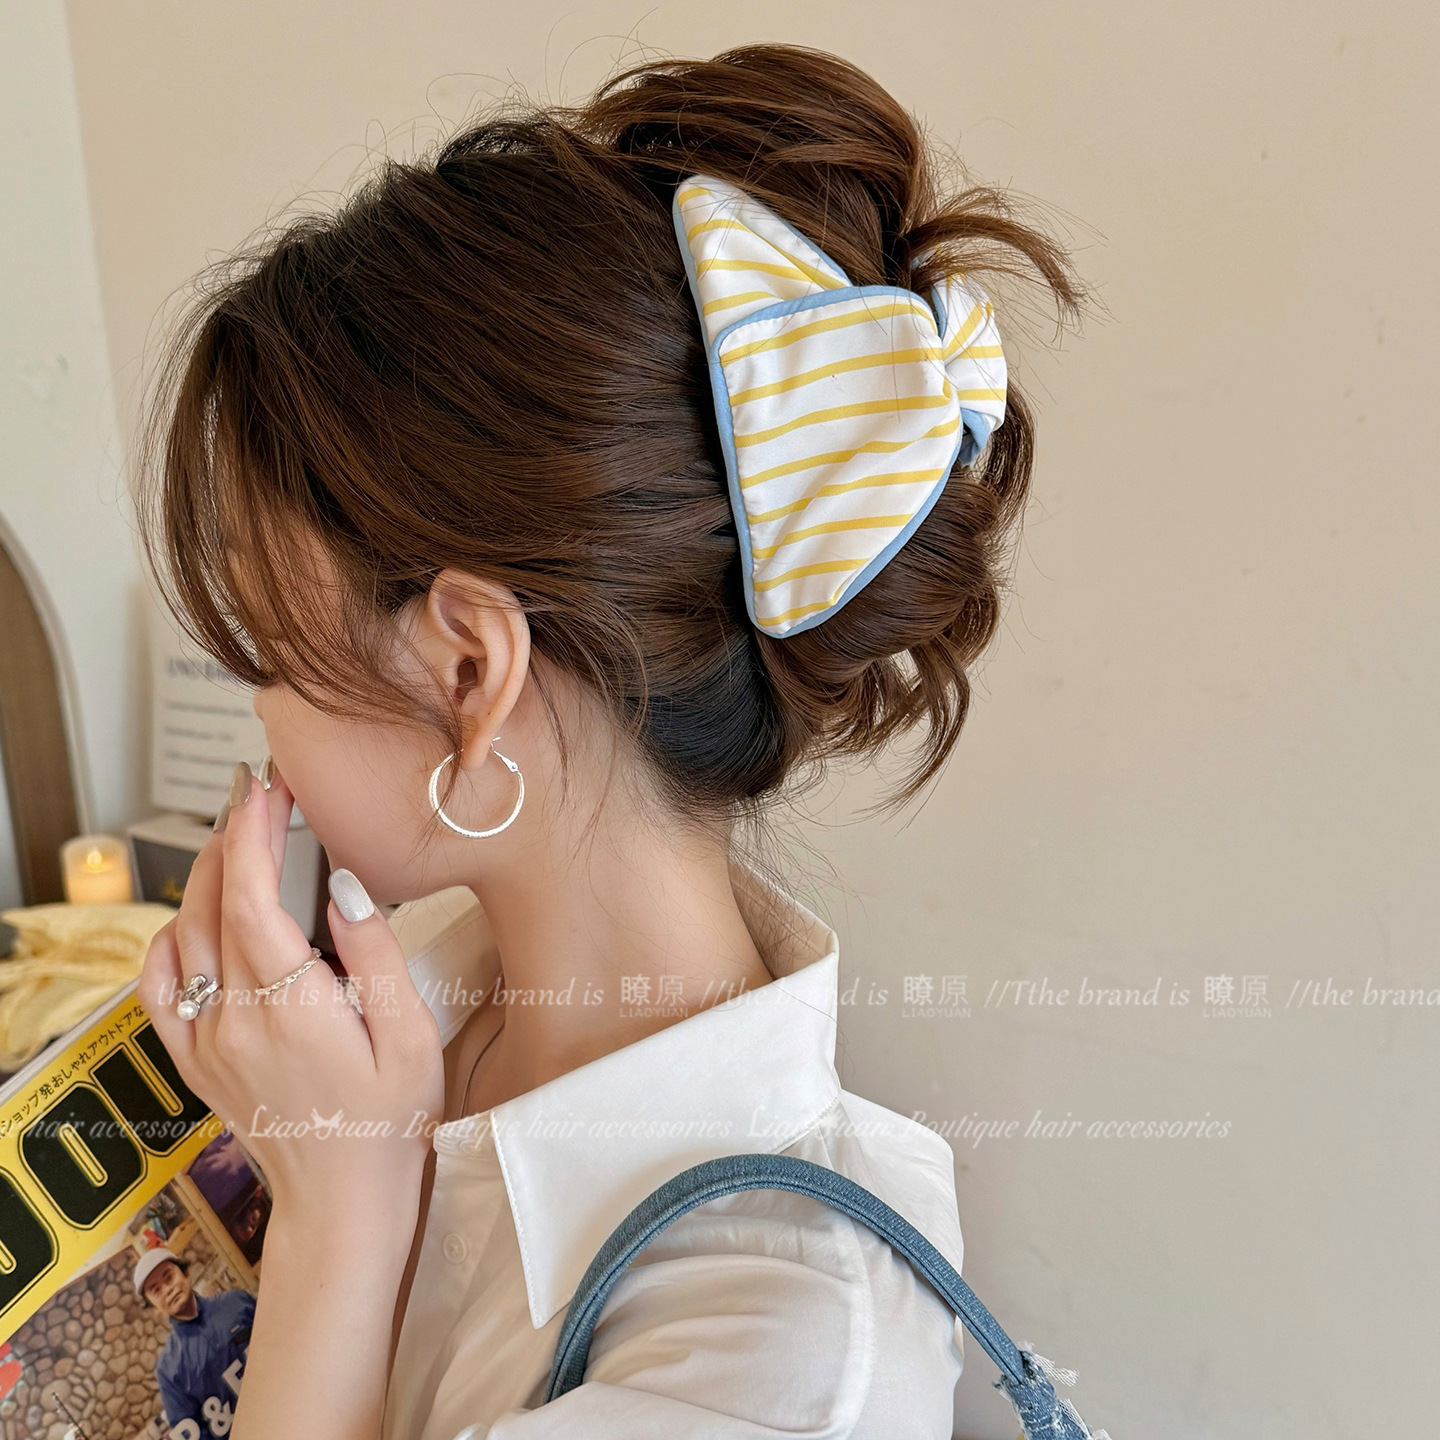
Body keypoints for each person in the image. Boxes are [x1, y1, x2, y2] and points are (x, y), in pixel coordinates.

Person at [135, 43, 1081, 1440]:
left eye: (271, 653)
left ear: (471, 670)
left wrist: (340, 1211)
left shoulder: (788, 1353)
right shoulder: (424, 1000)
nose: (263, 717)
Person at [133, 1247, 254, 1438]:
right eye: (156, 1290)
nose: (167, 1289)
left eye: (169, 1277)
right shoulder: (168, 1369)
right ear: (154, 1308)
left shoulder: (236, 1302)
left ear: (185, 1273)